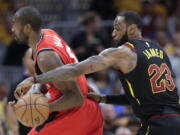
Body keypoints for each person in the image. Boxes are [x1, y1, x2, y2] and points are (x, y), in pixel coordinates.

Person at [15, 11, 180, 135]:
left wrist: (35, 79)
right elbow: (143, 96)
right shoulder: (159, 50)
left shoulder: (123, 52)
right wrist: (104, 98)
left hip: (158, 125)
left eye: (117, 28)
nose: (113, 33)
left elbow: (74, 70)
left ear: (131, 29)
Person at [10, 6, 103, 135]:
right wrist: (36, 90)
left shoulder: (45, 57)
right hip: (81, 108)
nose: (12, 29)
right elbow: (53, 75)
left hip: (78, 112)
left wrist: (38, 107)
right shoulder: (48, 33)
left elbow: (76, 97)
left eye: (15, 25)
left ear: (27, 28)